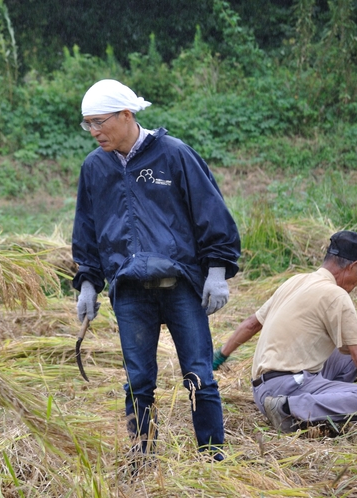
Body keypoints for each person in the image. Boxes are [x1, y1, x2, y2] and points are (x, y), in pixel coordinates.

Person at [71, 79, 241, 458]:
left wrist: (216, 272)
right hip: (130, 291)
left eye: (100, 122)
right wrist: (87, 283)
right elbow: (86, 230)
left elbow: (212, 214)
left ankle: (212, 456)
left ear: (127, 115)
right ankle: (142, 455)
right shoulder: (95, 168)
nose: (94, 132)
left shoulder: (174, 155)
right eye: (88, 124)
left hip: (180, 284)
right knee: (138, 381)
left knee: (199, 375)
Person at [214, 231, 357, 432]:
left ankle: (319, 413)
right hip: (285, 390)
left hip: (262, 388)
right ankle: (290, 410)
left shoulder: (295, 281)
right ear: (352, 266)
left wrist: (221, 355)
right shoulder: (336, 295)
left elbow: (252, 324)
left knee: (347, 358)